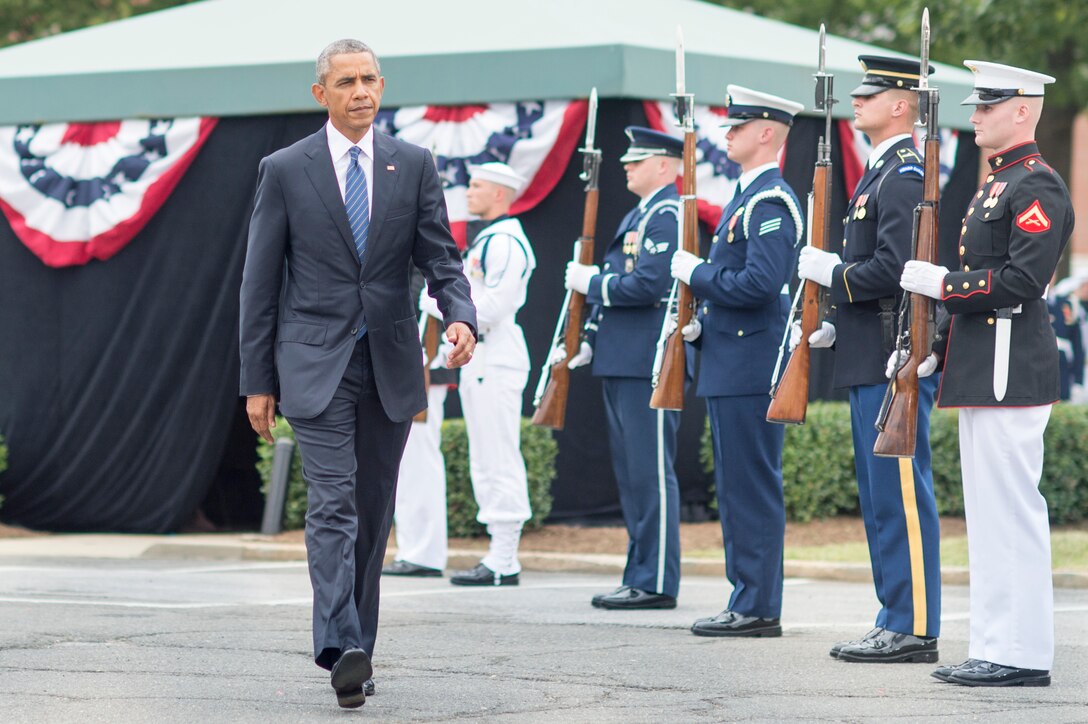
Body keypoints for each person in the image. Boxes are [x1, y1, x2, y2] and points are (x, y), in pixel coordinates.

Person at [238, 39, 476, 708]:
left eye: (370, 78)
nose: (361, 91)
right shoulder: (285, 169)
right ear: (322, 94)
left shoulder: (414, 163)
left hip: (392, 364)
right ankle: (341, 643)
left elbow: (441, 258)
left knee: (372, 514)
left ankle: (357, 653)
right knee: (336, 504)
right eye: (346, 81)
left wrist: (460, 316)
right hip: (315, 366)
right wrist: (257, 379)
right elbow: (258, 284)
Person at [899, 61, 1073, 687]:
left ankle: (1022, 654)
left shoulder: (1038, 186)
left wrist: (945, 285)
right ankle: (997, 645)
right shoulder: (994, 185)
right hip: (980, 367)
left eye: (987, 106)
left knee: (1012, 514)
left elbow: (1023, 281)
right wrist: (935, 347)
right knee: (988, 516)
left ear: (1022, 111)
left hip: (1010, 370)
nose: (973, 115)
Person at [796, 56, 943, 663]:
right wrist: (836, 321)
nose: (856, 102)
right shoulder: (878, 174)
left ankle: (912, 625)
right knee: (882, 498)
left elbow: (894, 270)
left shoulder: (904, 175)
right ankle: (893, 615)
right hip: (867, 354)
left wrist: (834, 272)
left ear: (902, 104)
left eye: (871, 94)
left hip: (892, 361)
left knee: (901, 494)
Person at [670, 86, 803, 637]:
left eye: (738, 126)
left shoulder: (770, 201)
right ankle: (746, 597)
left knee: (750, 484)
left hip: (751, 363)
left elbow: (759, 284)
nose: (727, 134)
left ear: (766, 133)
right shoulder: (747, 198)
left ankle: (757, 605)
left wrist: (696, 273)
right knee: (735, 485)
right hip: (730, 359)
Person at [563, 127, 682, 610]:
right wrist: (590, 334)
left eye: (639, 160)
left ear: (665, 165)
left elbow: (650, 284)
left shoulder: (668, 214)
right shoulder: (642, 212)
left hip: (647, 361)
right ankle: (639, 572)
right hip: (622, 356)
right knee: (633, 474)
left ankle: (655, 579)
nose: (627, 167)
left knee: (651, 472)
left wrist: (594, 283)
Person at [427, 162, 537, 586]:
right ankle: (498, 552)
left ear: (499, 194)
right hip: (480, 358)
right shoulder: (488, 240)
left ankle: (505, 557)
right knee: (484, 457)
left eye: (476, 186)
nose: (468, 193)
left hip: (496, 355)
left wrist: (435, 304)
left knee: (499, 455)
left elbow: (491, 309)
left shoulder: (506, 242)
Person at [383, 283, 457, 578]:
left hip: (425, 360)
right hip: (406, 357)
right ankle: (414, 548)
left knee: (418, 459)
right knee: (407, 462)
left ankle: (423, 553)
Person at [1048, 275, 1085, 402]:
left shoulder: (1066, 304)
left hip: (1062, 371)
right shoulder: (1029, 302)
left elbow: (1077, 345)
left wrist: (1078, 380)